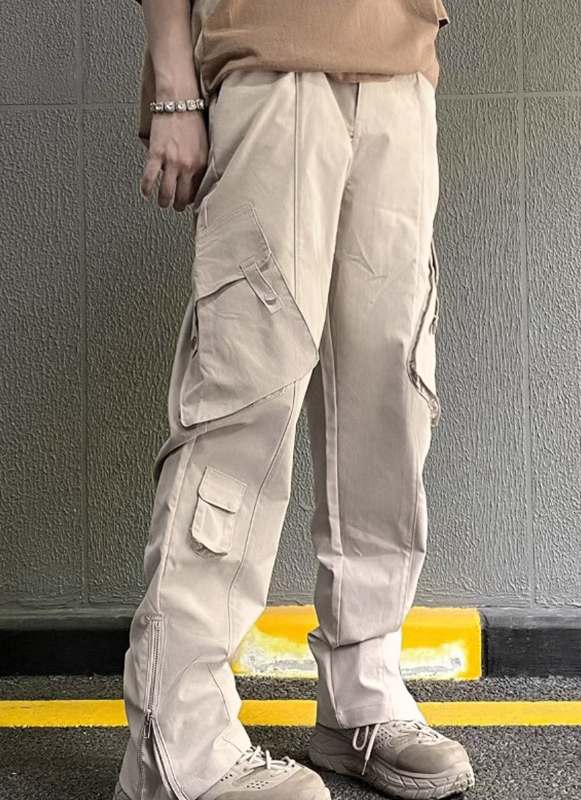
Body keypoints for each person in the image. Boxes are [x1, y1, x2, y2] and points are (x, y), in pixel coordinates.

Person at [114, 1, 476, 799]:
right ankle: (177, 748)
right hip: (268, 67)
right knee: (241, 410)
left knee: (391, 412)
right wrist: (175, 89)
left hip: (402, 74)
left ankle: (362, 699)